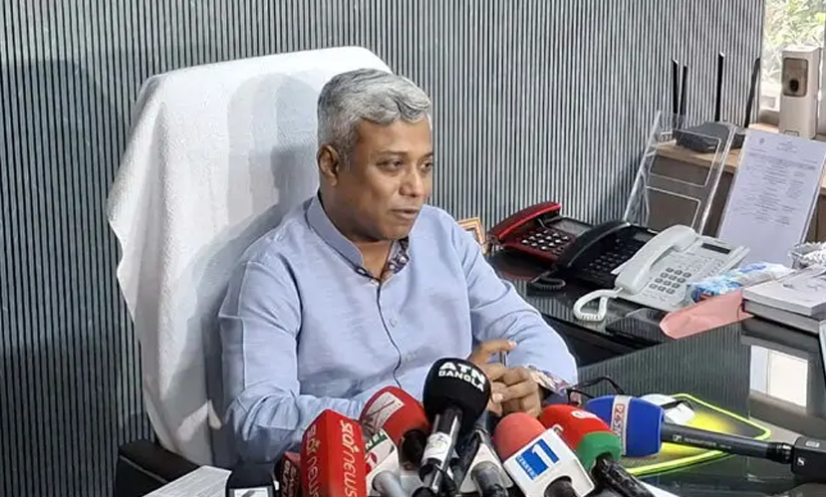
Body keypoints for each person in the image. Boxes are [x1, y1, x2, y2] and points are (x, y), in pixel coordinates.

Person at [218, 68, 578, 464]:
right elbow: (257, 420)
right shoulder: (272, 272)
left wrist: (533, 384)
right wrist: (420, 404)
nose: (417, 189)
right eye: (392, 165)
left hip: (472, 460)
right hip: (360, 473)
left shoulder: (442, 234)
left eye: (425, 166)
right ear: (331, 165)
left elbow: (525, 329)